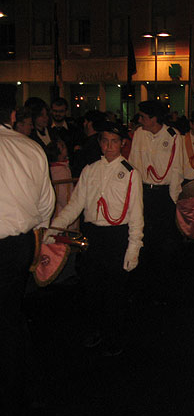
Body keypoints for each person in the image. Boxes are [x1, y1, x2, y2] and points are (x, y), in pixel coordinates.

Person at [46, 122, 143, 355]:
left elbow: (136, 215)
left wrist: (134, 248)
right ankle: (94, 329)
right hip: (93, 235)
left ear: (122, 144)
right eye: (105, 140)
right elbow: (75, 205)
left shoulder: (131, 173)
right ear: (99, 142)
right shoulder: (90, 170)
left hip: (116, 237)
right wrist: (55, 227)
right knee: (90, 288)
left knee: (115, 292)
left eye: (114, 141)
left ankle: (114, 335)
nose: (109, 146)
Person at [0, 93, 55, 416]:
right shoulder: (29, 148)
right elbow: (45, 206)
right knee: (10, 319)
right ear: (11, 114)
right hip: (17, 245)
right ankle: (19, 392)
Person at [128, 100, 184, 304]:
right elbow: (133, 163)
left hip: (163, 196)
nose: (140, 120)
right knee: (143, 237)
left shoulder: (173, 136)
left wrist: (174, 199)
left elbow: (177, 169)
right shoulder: (140, 134)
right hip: (143, 192)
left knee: (164, 242)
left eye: (143, 116)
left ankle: (164, 287)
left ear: (153, 118)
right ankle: (143, 284)